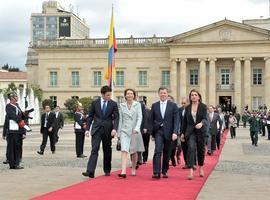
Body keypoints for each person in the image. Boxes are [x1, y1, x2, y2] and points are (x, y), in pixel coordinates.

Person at [82, 86, 119, 178]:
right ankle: (90, 171)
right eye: (107, 95)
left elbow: (117, 117)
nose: (109, 96)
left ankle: (107, 170)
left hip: (108, 130)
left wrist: (115, 129)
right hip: (96, 129)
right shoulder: (95, 103)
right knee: (94, 149)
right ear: (102, 94)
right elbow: (90, 116)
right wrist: (87, 129)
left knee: (107, 150)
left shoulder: (113, 104)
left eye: (110, 95)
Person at [151, 87, 179, 179]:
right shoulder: (154, 105)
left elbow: (176, 120)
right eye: (161, 93)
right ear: (159, 94)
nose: (163, 94)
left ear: (167, 94)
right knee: (158, 150)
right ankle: (156, 172)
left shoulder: (173, 106)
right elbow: (151, 120)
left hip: (170, 132)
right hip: (158, 131)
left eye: (164, 93)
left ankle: (164, 170)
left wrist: (175, 132)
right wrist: (152, 133)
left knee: (167, 152)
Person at [181, 89, 208, 180]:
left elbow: (205, 118)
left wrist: (201, 123)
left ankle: (200, 167)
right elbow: (184, 122)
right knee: (191, 148)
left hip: (200, 131)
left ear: (199, 97)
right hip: (190, 131)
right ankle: (191, 169)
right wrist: (182, 133)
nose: (193, 96)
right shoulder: (187, 107)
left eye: (195, 95)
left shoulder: (203, 107)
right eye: (192, 95)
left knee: (201, 149)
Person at [118, 89, 144, 178]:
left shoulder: (138, 105)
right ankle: (123, 171)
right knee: (124, 150)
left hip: (134, 131)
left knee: (134, 151)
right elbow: (120, 119)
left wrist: (137, 128)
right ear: (125, 96)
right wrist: (118, 133)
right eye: (128, 94)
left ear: (134, 95)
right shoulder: (121, 105)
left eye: (131, 93)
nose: (129, 95)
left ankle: (133, 168)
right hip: (124, 130)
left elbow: (140, 117)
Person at [5, 91, 26, 169]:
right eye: (16, 96)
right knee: (12, 147)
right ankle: (12, 164)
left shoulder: (17, 106)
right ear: (12, 98)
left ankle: (17, 163)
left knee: (18, 147)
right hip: (13, 130)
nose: (17, 97)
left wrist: (25, 115)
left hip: (19, 130)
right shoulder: (8, 106)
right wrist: (20, 120)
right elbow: (12, 115)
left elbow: (21, 116)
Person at [179, 97, 189, 169]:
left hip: (190, 131)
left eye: (184, 103)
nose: (183, 104)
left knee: (191, 148)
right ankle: (186, 163)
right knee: (184, 148)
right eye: (182, 103)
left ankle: (193, 163)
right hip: (182, 131)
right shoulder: (179, 110)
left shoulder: (191, 109)